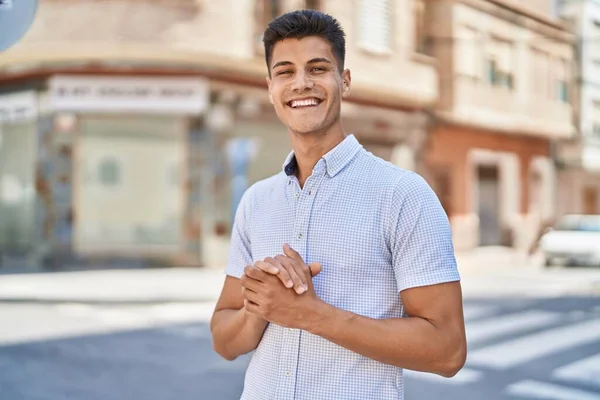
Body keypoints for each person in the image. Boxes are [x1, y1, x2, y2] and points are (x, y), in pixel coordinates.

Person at [210, 9, 466, 400]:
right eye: (285, 72)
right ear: (270, 87)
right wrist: (262, 307)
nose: (300, 83)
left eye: (317, 68)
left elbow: (447, 351)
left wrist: (310, 314)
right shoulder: (256, 201)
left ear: (344, 81)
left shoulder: (402, 194)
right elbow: (225, 341)